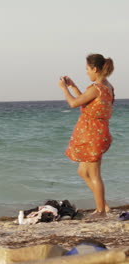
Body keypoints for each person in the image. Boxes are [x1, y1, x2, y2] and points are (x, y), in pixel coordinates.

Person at [58, 53, 115, 219]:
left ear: (95, 69)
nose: (86, 73)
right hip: (96, 132)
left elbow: (74, 103)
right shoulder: (106, 86)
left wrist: (64, 89)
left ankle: (101, 212)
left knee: (94, 173)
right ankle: (102, 204)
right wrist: (73, 86)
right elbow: (85, 100)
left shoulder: (96, 88)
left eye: (87, 69)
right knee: (83, 171)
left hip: (93, 135)